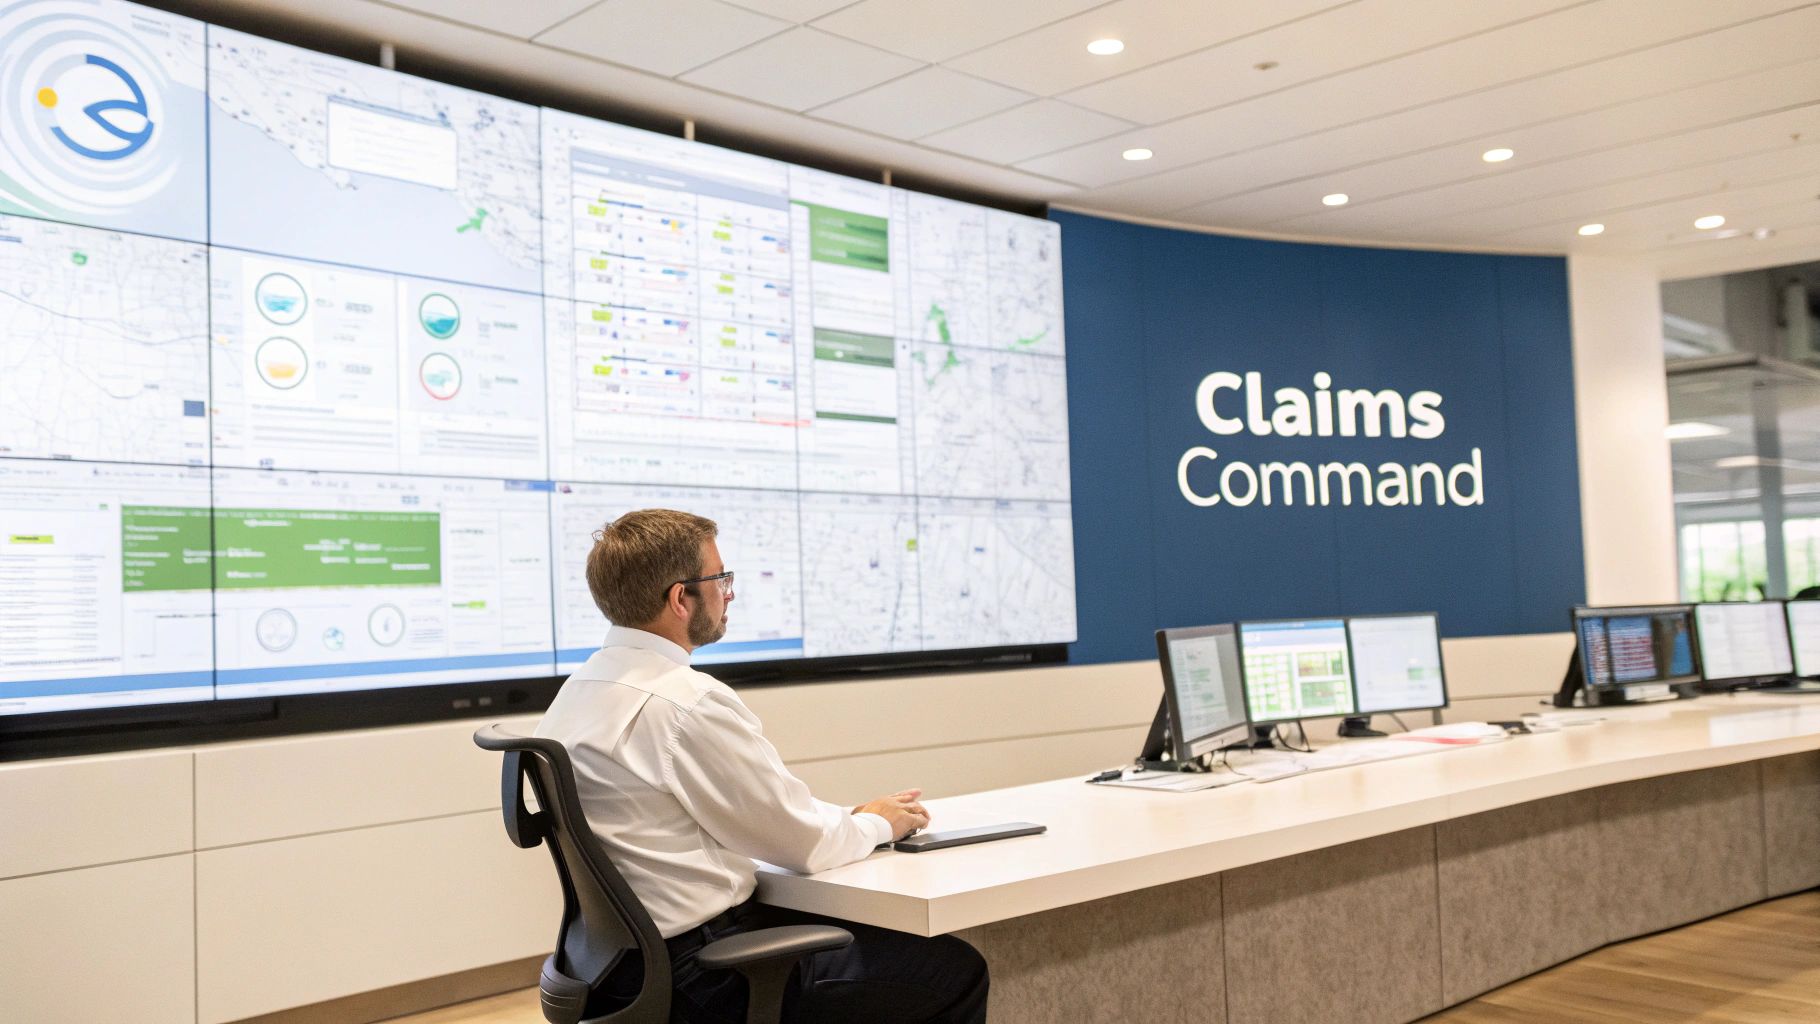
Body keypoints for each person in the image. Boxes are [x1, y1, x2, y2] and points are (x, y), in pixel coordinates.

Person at [535, 509, 989, 1023]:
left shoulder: (580, 689)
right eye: (720, 579)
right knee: (955, 971)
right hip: (704, 975)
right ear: (681, 599)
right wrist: (880, 825)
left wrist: (850, 818)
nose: (729, 593)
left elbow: (763, 815)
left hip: (615, 969)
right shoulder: (684, 703)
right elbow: (802, 844)